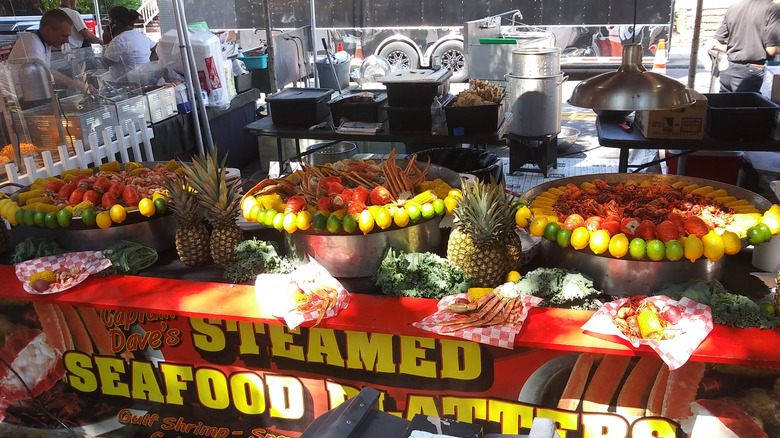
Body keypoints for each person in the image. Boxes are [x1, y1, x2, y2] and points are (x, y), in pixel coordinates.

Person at [6, 8, 96, 98]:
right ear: (47, 30)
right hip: (20, 100)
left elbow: (46, 70)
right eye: (63, 36)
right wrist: (78, 84)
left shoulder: (43, 43)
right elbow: (44, 74)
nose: (67, 41)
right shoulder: (33, 44)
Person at [711, 0, 780, 92]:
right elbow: (772, 49)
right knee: (748, 105)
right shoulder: (773, 9)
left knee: (726, 104)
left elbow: (714, 44)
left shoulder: (734, 7)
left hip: (728, 70)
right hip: (752, 72)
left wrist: (738, 49)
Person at [102, 6, 157, 83]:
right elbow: (156, 49)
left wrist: (106, 43)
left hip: (125, 84)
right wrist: (147, 65)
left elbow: (105, 64)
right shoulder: (140, 36)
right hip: (143, 80)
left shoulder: (119, 41)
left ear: (114, 24)